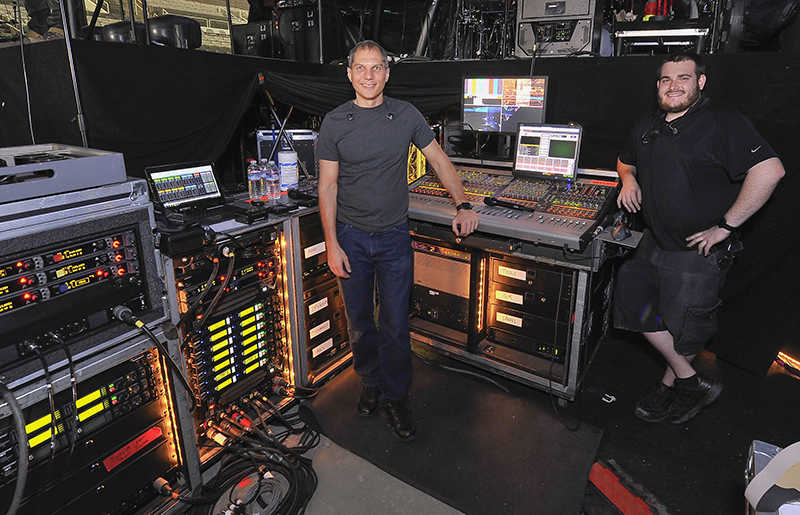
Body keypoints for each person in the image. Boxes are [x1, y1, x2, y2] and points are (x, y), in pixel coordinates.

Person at [317, 40, 479, 442]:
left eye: (377, 68)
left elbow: (439, 160)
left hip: (392, 238)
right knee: (359, 322)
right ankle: (370, 381)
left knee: (394, 325)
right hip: (351, 238)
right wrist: (331, 244)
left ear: (388, 74)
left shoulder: (405, 115)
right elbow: (328, 188)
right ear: (349, 73)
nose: (369, 75)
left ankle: (394, 395)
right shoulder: (334, 122)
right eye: (361, 68)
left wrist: (463, 203)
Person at [613, 52, 785, 424]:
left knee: (685, 331)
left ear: (700, 82)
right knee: (630, 303)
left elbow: (770, 171)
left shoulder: (720, 120)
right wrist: (628, 179)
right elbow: (625, 160)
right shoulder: (647, 123)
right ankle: (692, 381)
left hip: (696, 253)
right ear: (657, 86)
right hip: (653, 242)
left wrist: (725, 226)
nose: (674, 86)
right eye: (665, 79)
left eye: (683, 78)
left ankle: (669, 385)